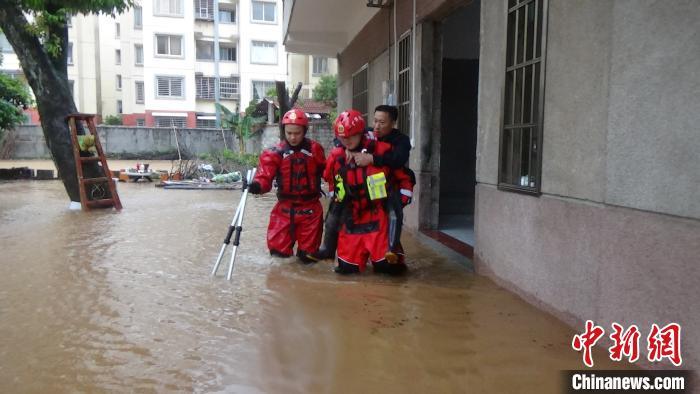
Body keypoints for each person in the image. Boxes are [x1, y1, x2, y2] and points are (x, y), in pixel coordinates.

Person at [310, 105, 414, 263]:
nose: (377, 126)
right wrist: (343, 146)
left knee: (392, 212)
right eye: (375, 121)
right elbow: (343, 136)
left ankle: (392, 248)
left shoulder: (399, 141)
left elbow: (398, 161)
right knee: (335, 209)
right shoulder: (361, 136)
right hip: (355, 199)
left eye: (382, 122)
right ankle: (328, 248)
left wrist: (372, 159)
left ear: (393, 123)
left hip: (384, 186)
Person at [248, 109, 326, 263]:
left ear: (304, 131)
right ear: (284, 131)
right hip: (284, 210)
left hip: (310, 210)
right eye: (289, 133)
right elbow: (265, 176)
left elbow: (328, 172)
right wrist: (257, 185)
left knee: (308, 259)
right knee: (278, 257)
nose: (293, 137)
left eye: (297, 133)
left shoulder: (315, 150)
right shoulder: (274, 153)